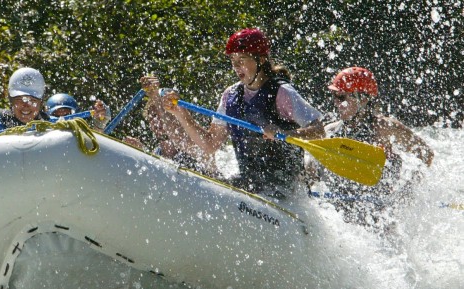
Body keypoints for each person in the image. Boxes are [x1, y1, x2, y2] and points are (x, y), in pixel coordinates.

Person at [160, 28, 324, 195]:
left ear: (260, 60)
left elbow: (319, 131)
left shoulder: (282, 93)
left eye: (242, 59)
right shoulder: (230, 95)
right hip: (249, 185)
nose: (236, 66)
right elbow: (209, 145)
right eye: (233, 60)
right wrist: (181, 114)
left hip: (284, 193)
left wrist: (285, 133)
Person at [308, 66, 434, 227]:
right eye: (334, 96)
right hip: (339, 216)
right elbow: (311, 174)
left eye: (341, 97)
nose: (336, 103)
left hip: (380, 216)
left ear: (364, 99)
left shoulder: (385, 128)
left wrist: (406, 193)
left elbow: (426, 154)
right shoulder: (330, 132)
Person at [138, 75, 219, 177]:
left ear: (178, 117)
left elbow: (181, 137)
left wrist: (155, 96)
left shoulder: (195, 148)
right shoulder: (155, 154)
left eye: (163, 114)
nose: (157, 120)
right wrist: (138, 153)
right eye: (153, 116)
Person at [46, 93, 111, 131]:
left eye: (67, 115)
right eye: (56, 116)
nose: (61, 120)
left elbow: (96, 144)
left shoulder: (82, 138)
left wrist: (99, 126)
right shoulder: (41, 136)